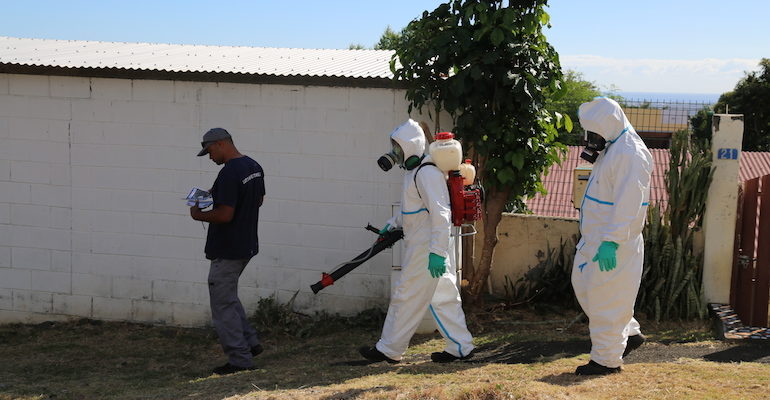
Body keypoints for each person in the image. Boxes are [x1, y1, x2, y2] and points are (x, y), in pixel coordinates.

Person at [359, 119, 475, 364]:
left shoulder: (427, 172)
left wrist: (435, 252)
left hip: (427, 248)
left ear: (411, 146)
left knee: (406, 295)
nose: (394, 153)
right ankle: (461, 346)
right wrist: (391, 225)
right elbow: (411, 209)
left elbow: (441, 214)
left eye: (398, 147)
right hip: (430, 245)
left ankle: (389, 349)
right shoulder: (415, 171)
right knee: (444, 297)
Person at [571, 97, 653, 375]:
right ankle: (629, 334)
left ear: (607, 125)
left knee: (606, 300)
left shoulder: (631, 154)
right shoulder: (613, 146)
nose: (591, 138)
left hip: (613, 243)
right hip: (595, 240)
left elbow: (631, 205)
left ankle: (606, 361)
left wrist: (612, 241)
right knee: (585, 288)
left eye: (594, 131)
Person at [190, 128, 266, 375]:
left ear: (221, 144)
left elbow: (225, 214)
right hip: (246, 244)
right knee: (229, 298)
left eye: (210, 151)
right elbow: (259, 199)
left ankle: (240, 359)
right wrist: (217, 195)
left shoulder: (229, 173)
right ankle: (251, 343)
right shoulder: (253, 166)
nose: (210, 157)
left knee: (222, 305)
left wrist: (197, 214)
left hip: (228, 249)